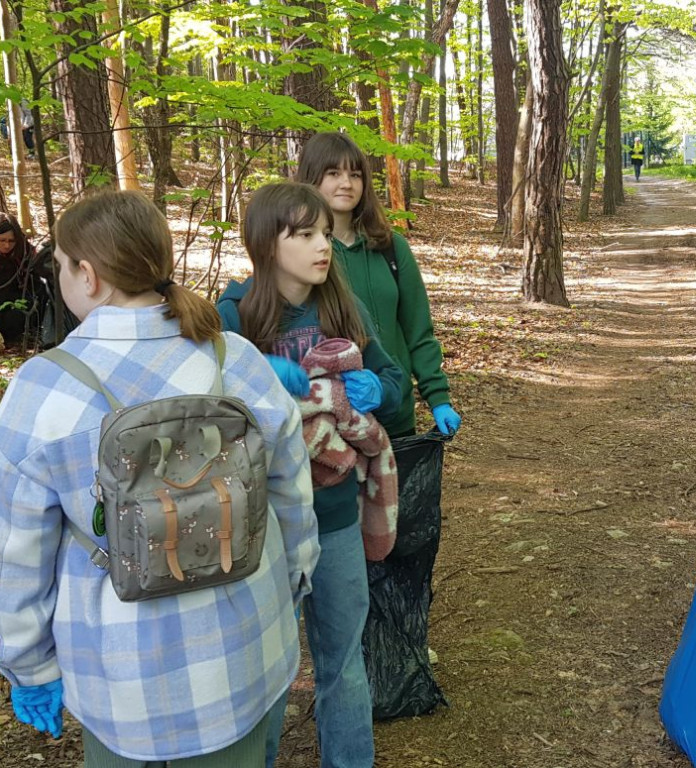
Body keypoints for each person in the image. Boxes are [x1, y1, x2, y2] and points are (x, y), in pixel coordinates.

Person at [0, 190, 321, 766]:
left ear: (88, 275)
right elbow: (291, 491)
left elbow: (14, 550)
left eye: (62, 268)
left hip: (120, 679)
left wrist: (26, 665)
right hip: (241, 650)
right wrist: (296, 577)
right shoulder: (235, 359)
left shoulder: (43, 388)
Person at [216, 181, 409, 768]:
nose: (323, 246)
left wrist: (380, 390)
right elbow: (200, 402)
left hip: (333, 518)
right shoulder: (235, 313)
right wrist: (250, 370)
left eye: (324, 232)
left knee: (342, 659)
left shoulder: (340, 307)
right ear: (267, 243)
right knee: (268, 671)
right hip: (261, 529)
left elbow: (395, 387)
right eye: (304, 235)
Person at [295, 132, 462, 439]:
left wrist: (438, 398)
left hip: (394, 413)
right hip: (328, 422)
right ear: (311, 178)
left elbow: (418, 331)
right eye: (334, 173)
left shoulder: (391, 249)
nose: (347, 183)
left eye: (355, 174)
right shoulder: (298, 253)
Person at [0, 212, 38, 347]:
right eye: (2, 240)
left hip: (19, 301)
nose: (6, 246)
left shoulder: (24, 252)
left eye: (11, 241)